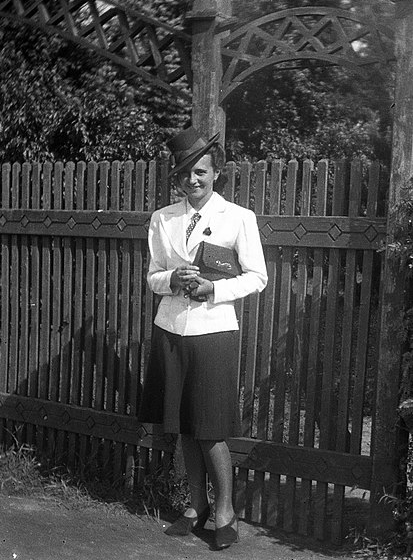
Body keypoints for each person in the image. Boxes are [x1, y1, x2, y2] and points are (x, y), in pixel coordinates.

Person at [138, 126, 267, 550]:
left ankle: (226, 511)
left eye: (201, 172)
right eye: (184, 175)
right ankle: (197, 507)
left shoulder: (239, 218)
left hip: (214, 332)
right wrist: (172, 279)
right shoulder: (163, 218)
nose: (193, 181)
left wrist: (214, 289)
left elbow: (257, 277)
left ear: (216, 173)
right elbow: (153, 276)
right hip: (172, 329)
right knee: (182, 425)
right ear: (176, 179)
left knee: (210, 427)